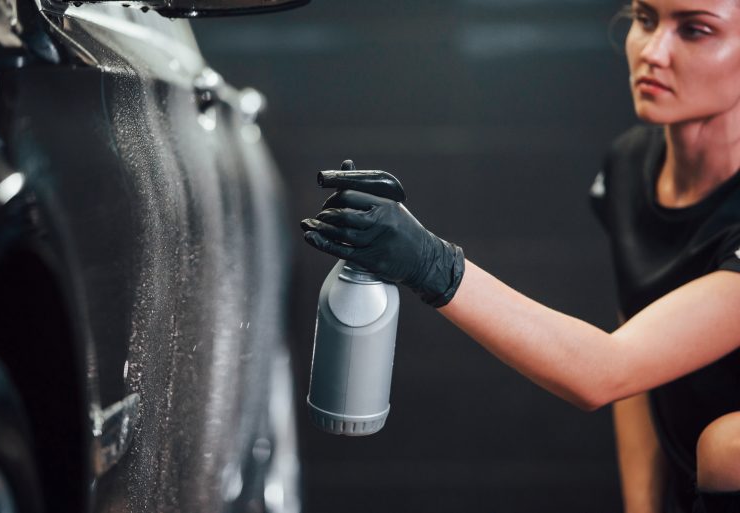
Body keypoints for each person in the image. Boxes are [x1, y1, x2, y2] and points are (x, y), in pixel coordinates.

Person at [300, 0, 740, 512]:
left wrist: (430, 263)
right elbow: (639, 371)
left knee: (726, 448)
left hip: (719, 467)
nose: (653, 52)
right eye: (645, 20)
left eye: (696, 30)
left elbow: (607, 370)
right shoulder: (632, 163)